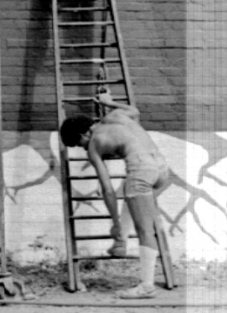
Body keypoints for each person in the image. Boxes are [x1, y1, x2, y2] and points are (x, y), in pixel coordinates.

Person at [59, 92, 172, 300]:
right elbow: (135, 111)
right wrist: (108, 102)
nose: (82, 147)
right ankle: (120, 243)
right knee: (131, 197)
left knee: (144, 229)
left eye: (79, 144)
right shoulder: (116, 116)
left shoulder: (93, 145)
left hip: (141, 170)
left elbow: (107, 189)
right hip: (162, 169)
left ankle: (146, 286)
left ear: (83, 135)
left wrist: (115, 222)